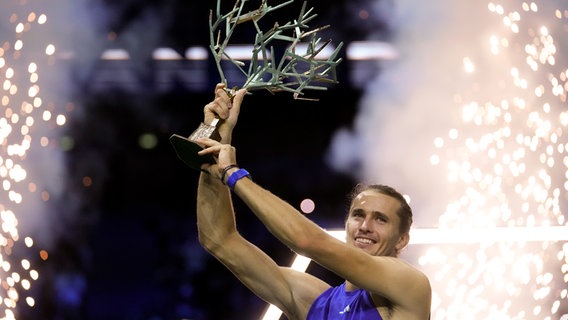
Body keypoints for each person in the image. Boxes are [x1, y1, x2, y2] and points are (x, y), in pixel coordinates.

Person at [193, 83, 432, 319]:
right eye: (358, 215)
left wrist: (233, 174)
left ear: (402, 240)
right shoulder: (315, 301)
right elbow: (218, 239)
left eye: (381, 219)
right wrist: (217, 137)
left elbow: (306, 240)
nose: (365, 226)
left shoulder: (410, 286)